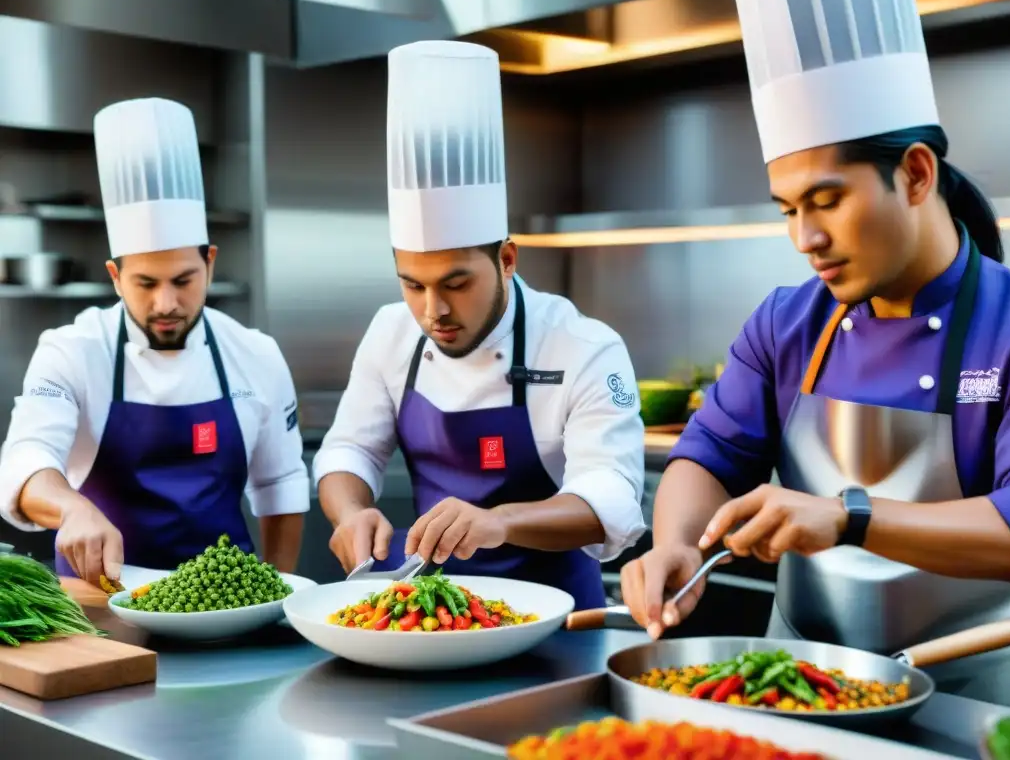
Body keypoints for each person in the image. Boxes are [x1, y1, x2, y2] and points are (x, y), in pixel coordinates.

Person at [621, 0, 1010, 655]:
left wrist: (846, 517)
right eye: (787, 209)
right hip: (801, 684)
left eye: (827, 200)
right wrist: (675, 546)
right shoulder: (786, 323)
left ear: (916, 173)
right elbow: (706, 457)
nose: (805, 237)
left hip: (975, 695)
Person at [314, 40, 646, 611]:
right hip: (432, 619)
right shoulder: (391, 334)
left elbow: (611, 499)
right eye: (412, 284)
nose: (432, 311)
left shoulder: (583, 345)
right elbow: (349, 450)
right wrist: (350, 513)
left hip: (557, 621)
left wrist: (499, 523)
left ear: (507, 260)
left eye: (456, 283)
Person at [0, 98, 309, 586]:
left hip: (227, 602)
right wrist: (70, 508)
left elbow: (281, 484)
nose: (166, 303)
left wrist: (276, 594)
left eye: (184, 280)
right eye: (145, 284)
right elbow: (25, 460)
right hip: (103, 605)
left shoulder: (255, 353)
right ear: (115, 277)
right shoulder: (72, 350)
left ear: (210, 262)